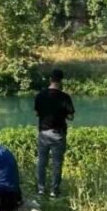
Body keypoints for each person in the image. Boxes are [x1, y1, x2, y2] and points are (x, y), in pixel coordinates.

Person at [34, 68, 75, 198]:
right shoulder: (65, 97)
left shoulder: (40, 96)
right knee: (57, 164)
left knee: (42, 162)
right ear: (61, 80)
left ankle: (41, 189)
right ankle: (54, 191)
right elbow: (71, 117)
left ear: (50, 79)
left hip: (43, 134)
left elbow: (36, 113)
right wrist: (62, 114)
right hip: (58, 135)